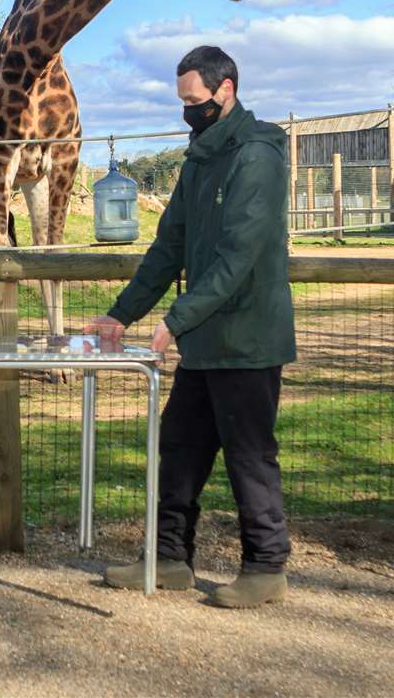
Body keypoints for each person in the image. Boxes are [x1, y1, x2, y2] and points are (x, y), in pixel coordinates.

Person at [85, 45, 295, 609]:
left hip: (248, 337)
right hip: (205, 339)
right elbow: (169, 244)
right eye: (182, 101)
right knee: (179, 448)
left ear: (225, 90)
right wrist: (122, 313)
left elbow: (239, 255)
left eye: (194, 101)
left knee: (249, 452)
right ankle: (169, 557)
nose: (187, 111)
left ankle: (266, 566)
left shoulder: (257, 156)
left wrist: (175, 320)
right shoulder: (201, 156)